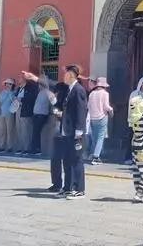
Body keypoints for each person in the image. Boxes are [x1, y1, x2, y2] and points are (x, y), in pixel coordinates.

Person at [49, 65, 88, 199]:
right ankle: (68, 187)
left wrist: (79, 131)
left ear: (71, 75)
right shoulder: (69, 90)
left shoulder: (78, 90)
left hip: (75, 132)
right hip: (66, 130)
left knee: (76, 160)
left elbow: (81, 111)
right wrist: (56, 107)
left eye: (66, 74)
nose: (63, 77)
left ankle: (79, 189)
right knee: (67, 160)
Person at [86, 77, 112, 164]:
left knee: (95, 138)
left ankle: (94, 153)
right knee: (100, 137)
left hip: (93, 118)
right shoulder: (105, 93)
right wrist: (111, 110)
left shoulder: (91, 94)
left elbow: (88, 106)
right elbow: (106, 106)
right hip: (102, 117)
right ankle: (96, 156)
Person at [17, 72, 39, 155]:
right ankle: (21, 148)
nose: (19, 79)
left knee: (26, 131)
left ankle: (27, 148)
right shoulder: (19, 88)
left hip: (26, 111)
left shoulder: (30, 87)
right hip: (17, 110)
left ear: (25, 79)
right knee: (19, 130)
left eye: (20, 78)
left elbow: (32, 98)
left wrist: (21, 99)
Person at [0, 78, 18, 152]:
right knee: (2, 131)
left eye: (10, 84)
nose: (8, 85)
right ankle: (2, 146)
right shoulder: (2, 93)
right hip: (2, 114)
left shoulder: (13, 93)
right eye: (7, 83)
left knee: (9, 131)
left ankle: (10, 147)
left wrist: (11, 94)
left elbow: (15, 102)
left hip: (10, 114)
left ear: (12, 85)